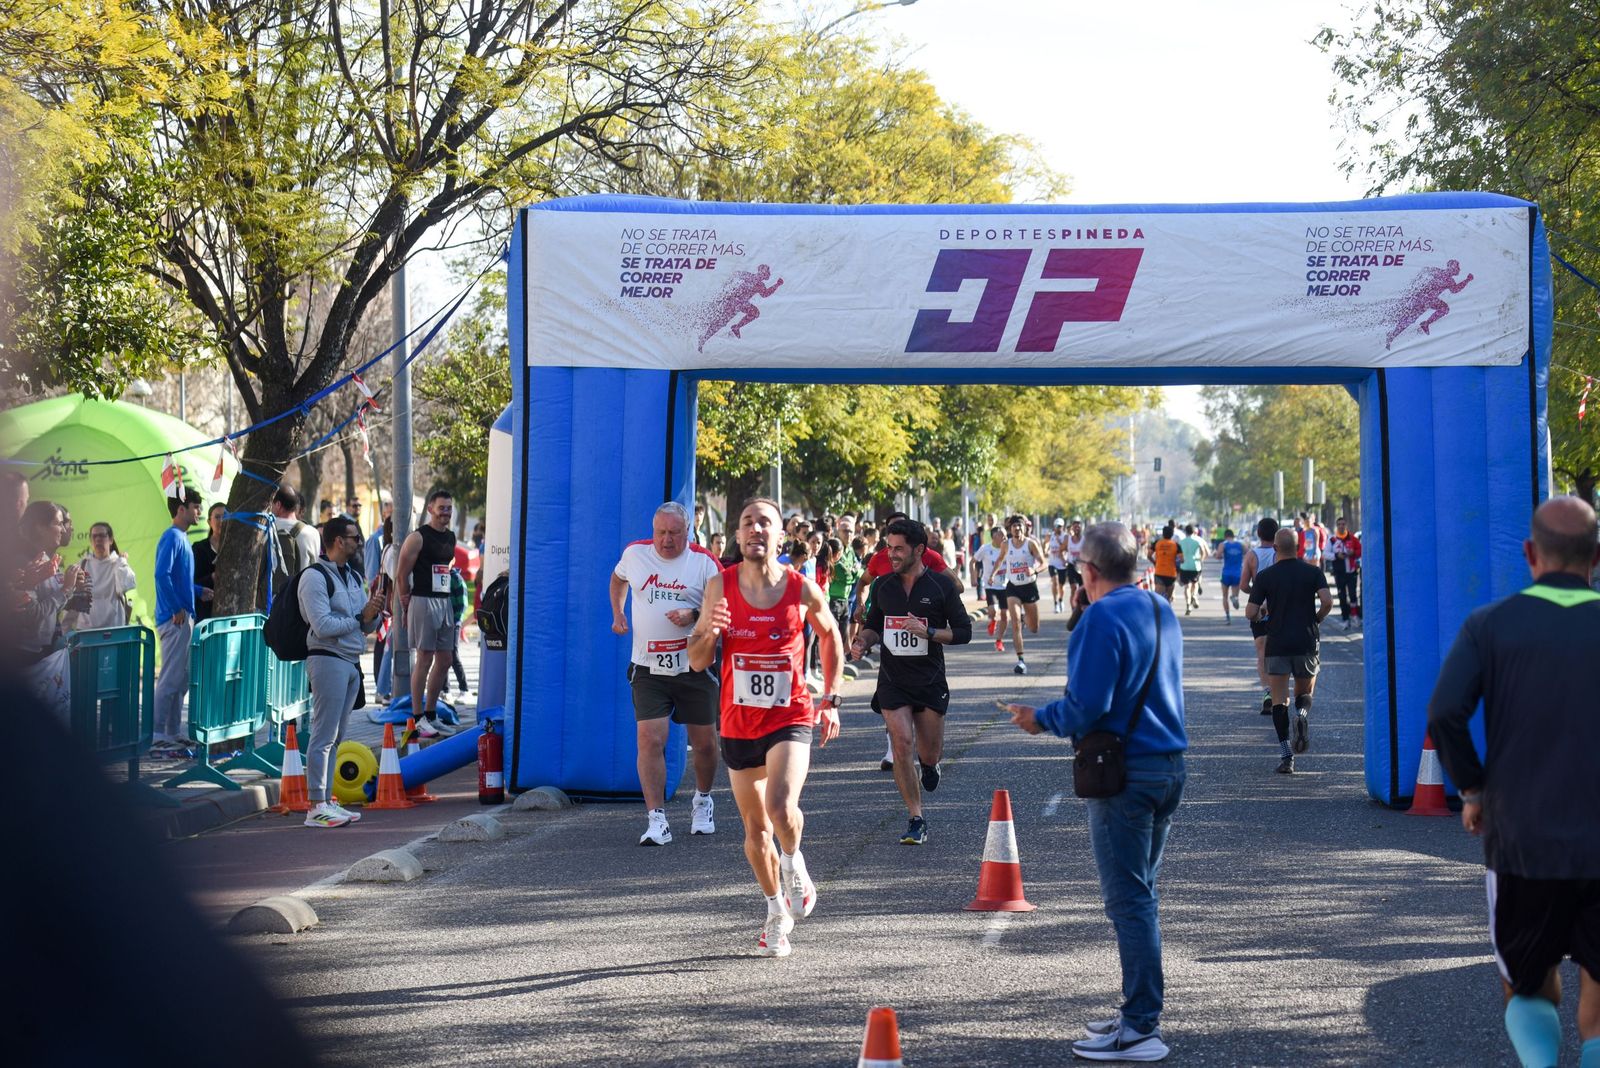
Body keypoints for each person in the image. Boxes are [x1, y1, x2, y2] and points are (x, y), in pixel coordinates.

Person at [1427, 496, 1600, 1068]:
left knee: (1526, 984)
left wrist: (1473, 790)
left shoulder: (1490, 626)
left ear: (1530, 553)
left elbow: (1446, 712)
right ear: (1596, 558)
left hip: (1521, 836)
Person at [1006, 522, 1186, 1062]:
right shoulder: (1160, 608)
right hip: (1168, 763)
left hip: (1123, 772)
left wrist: (1039, 718)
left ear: (1087, 570)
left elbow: (1087, 705)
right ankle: (1138, 1011)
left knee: (1129, 901)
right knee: (1143, 894)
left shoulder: (1100, 618)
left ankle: (1140, 1027)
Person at [687, 497, 843, 959]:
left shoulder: (801, 589)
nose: (756, 529)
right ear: (738, 536)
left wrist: (831, 699)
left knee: (780, 805)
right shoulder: (720, 585)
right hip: (738, 721)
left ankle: (794, 865)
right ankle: (776, 914)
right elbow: (696, 661)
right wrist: (710, 632)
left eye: (765, 523)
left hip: (790, 714)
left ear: (781, 536)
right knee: (755, 833)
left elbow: (831, 634)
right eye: (747, 522)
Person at [850, 518, 971, 845]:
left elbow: (964, 632)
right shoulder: (883, 586)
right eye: (889, 548)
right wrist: (863, 641)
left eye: (899, 548)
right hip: (892, 679)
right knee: (901, 743)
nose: (891, 554)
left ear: (919, 550)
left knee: (928, 753)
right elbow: (874, 624)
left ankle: (930, 766)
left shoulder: (940, 587)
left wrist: (930, 632)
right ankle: (916, 817)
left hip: (929, 679)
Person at [611, 501, 723, 846]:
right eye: (661, 532)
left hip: (693, 664)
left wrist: (693, 614)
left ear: (687, 532)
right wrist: (618, 612)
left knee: (704, 744)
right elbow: (618, 579)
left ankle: (703, 800)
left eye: (674, 533)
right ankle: (656, 820)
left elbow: (723, 605)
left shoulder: (704, 562)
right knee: (650, 738)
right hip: (648, 667)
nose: (667, 540)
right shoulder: (635, 554)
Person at [299, 516, 385, 828]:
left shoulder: (351, 575)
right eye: (353, 537)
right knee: (323, 735)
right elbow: (321, 626)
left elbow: (365, 623)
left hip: (350, 660)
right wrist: (360, 616)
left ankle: (327, 799)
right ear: (337, 541)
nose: (358, 542)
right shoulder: (314, 577)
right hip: (327, 658)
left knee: (336, 737)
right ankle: (315, 806)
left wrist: (373, 613)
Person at [1245, 528, 1332, 774]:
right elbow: (1327, 601)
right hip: (1306, 641)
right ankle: (1302, 714)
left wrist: (1263, 612)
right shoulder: (1313, 572)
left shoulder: (1265, 576)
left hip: (1277, 643)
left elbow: (1250, 613)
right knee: (1305, 693)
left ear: (1275, 549)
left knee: (1279, 700)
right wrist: (1316, 619)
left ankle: (1286, 756)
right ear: (1299, 548)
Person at [395, 488, 459, 738]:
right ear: (431, 509)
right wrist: (404, 604)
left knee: (445, 659)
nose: (445, 513)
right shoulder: (418, 537)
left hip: (444, 603)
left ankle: (432, 714)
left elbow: (445, 567)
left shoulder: (451, 538)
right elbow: (401, 574)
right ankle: (418, 717)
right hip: (422, 601)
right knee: (425, 658)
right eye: (441, 508)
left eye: (449, 508)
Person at [10, 500, 79, 720]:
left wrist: (75, 592)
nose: (64, 529)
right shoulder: (24, 562)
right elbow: (31, 614)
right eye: (59, 523)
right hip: (25, 658)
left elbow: (50, 605)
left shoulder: (47, 558)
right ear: (40, 527)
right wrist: (66, 589)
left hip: (41, 653)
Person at [154, 487, 207, 753]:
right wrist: (176, 607)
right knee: (170, 678)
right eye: (196, 506)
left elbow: (178, 578)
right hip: (174, 619)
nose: (201, 512)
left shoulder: (182, 538)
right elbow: (161, 575)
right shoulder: (172, 537)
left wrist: (199, 592)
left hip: (184, 617)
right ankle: (154, 733)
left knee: (181, 679)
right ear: (181, 509)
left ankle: (172, 732)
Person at [1239, 517, 1280, 716]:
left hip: (1258, 612)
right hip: (1278, 609)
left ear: (1258, 534)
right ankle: (1281, 694)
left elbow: (1243, 585)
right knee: (1280, 652)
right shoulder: (1280, 554)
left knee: (1262, 653)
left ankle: (1268, 694)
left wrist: (1256, 595)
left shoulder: (1251, 556)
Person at [998, 515, 1047, 675]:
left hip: (1029, 587)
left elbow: (1044, 562)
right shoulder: (1006, 544)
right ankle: (1021, 661)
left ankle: (1026, 618)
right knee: (1015, 623)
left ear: (1024, 529)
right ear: (1010, 530)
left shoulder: (1031, 544)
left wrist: (1035, 570)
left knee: (1034, 627)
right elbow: (1000, 559)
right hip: (1013, 587)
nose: (1017, 529)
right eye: (1014, 527)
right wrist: (992, 575)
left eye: (1019, 527)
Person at [70, 522, 138, 631]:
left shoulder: (118, 562)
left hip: (114, 630)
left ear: (111, 540)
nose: (98, 540)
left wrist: (122, 562)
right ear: (91, 541)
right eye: (94, 536)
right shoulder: (83, 564)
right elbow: (72, 600)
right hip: (86, 631)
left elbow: (127, 585)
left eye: (102, 535)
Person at [270, 487, 319, 596]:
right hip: (301, 599)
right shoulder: (312, 533)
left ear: (278, 504)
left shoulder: (266, 529)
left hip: (270, 601)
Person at [191, 503, 226, 623]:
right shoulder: (199, 548)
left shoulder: (235, 549)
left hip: (227, 614)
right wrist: (211, 578)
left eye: (225, 516)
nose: (222, 520)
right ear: (209, 522)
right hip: (204, 614)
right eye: (217, 517)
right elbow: (192, 582)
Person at [1329, 518, 1362, 629]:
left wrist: (1353, 552)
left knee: (1353, 595)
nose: (1341, 526)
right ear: (1336, 526)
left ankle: (1355, 616)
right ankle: (1345, 619)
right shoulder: (1332, 540)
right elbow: (1325, 553)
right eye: (1339, 524)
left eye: (1343, 524)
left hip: (1351, 571)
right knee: (1342, 596)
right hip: (1339, 573)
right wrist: (1336, 555)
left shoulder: (1353, 538)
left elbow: (1360, 550)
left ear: (1346, 525)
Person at [973, 525, 1007, 636]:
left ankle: (999, 637)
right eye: (1001, 534)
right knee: (993, 610)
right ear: (994, 537)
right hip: (990, 584)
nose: (1004, 536)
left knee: (1004, 613)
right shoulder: (985, 549)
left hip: (1004, 585)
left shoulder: (1008, 548)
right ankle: (992, 621)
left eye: (1005, 534)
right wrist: (973, 578)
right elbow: (972, 561)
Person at [1175, 524, 1208, 616]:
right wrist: (1200, 559)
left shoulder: (1181, 542)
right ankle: (1194, 595)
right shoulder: (1197, 541)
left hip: (1184, 566)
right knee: (1195, 584)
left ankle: (1188, 605)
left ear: (1185, 532)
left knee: (1187, 587)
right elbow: (1204, 552)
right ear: (1194, 532)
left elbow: (1178, 554)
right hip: (1195, 565)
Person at [1217, 529, 1245, 625]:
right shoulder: (1241, 544)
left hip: (1226, 572)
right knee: (1235, 594)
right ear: (1233, 536)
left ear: (1225, 536)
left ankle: (1228, 616)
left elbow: (1218, 555)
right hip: (1238, 572)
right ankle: (1235, 598)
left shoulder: (1223, 544)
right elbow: (1248, 552)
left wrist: (1219, 555)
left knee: (1224, 596)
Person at [1147, 524, 1179, 604]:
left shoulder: (1157, 543)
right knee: (1168, 598)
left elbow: (1149, 555)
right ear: (1172, 534)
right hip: (1171, 574)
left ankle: (1157, 613)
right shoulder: (1176, 545)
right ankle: (1167, 610)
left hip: (1159, 572)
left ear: (1163, 534)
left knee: (1157, 598)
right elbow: (1181, 559)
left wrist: (1155, 562)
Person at [1046, 518, 1070, 613]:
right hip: (1052, 563)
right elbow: (1045, 543)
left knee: (1061, 585)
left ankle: (1061, 600)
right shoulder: (1050, 536)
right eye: (1056, 526)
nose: (1058, 528)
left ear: (1062, 527)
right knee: (1055, 582)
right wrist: (1045, 549)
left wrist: (1058, 540)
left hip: (1062, 564)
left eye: (1059, 526)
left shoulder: (1065, 537)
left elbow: (1065, 548)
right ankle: (1055, 603)